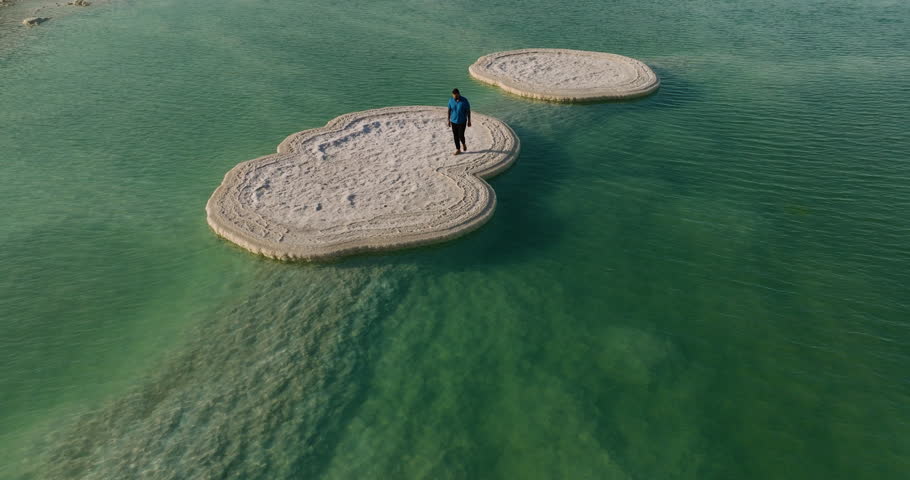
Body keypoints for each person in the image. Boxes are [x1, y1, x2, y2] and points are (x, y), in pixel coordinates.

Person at [447, 88, 471, 155]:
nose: (454, 97)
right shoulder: (451, 100)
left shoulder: (464, 101)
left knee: (461, 135)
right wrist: (448, 120)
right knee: (455, 136)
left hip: (462, 121)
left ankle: (463, 144)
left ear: (459, 94)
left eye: (456, 96)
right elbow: (449, 110)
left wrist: (469, 121)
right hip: (453, 121)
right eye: (453, 96)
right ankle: (458, 149)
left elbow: (468, 111)